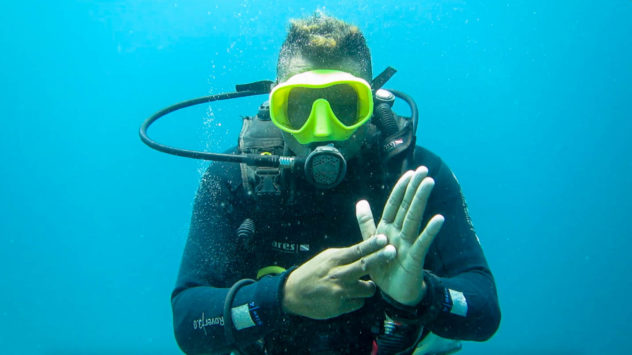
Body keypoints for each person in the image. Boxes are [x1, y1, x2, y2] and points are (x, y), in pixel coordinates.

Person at [171, 13, 500, 355]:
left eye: (345, 105)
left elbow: (485, 309)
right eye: (298, 107)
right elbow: (187, 321)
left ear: (371, 103)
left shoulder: (415, 176)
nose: (323, 129)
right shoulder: (233, 178)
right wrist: (281, 296)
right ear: (273, 106)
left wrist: (421, 295)